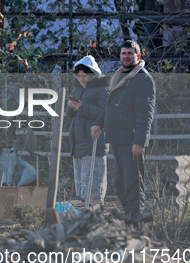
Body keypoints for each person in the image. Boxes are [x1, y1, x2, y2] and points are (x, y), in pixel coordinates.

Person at [92, 40, 156, 222]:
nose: (126, 56)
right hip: (117, 139)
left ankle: (135, 222)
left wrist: (140, 141)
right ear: (120, 56)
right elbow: (110, 108)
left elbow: (146, 113)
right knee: (120, 185)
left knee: (133, 184)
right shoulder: (120, 77)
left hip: (131, 139)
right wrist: (98, 123)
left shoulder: (143, 79)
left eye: (130, 53)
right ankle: (131, 218)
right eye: (123, 53)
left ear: (138, 56)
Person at [67, 56, 109, 207]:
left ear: (93, 74)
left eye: (84, 76)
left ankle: (97, 213)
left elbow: (105, 113)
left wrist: (81, 107)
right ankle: (85, 217)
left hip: (93, 140)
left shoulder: (102, 90)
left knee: (94, 180)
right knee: (82, 182)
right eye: (79, 76)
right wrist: (70, 107)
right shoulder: (77, 89)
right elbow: (70, 115)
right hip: (78, 141)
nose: (81, 79)